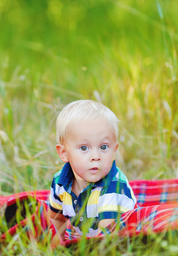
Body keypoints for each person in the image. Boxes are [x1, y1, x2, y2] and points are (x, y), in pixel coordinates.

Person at [48, 100, 137, 240]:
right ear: (64, 153)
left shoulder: (114, 187)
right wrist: (52, 249)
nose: (96, 156)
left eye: (103, 147)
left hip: (120, 241)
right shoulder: (60, 182)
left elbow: (106, 240)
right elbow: (57, 219)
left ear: (114, 150)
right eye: (84, 148)